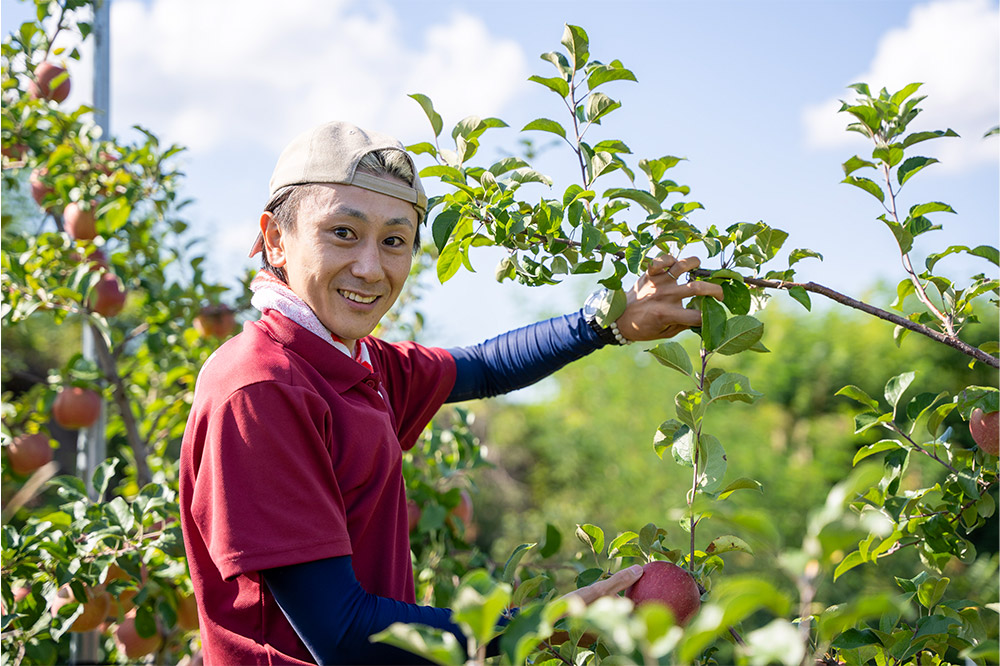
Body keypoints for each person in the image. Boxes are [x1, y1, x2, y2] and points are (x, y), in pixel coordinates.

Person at [179, 121, 723, 665]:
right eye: (343, 232)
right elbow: (340, 633)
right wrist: (532, 629)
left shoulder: (353, 365)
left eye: (394, 241)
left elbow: (483, 366)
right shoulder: (261, 387)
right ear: (276, 238)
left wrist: (609, 321)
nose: (370, 268)